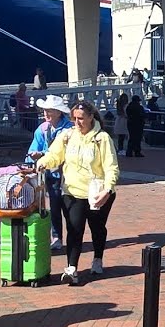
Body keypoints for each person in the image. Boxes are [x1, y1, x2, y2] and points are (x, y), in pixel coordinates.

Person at [35, 100, 120, 285]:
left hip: (97, 192)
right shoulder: (67, 136)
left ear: (91, 117)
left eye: (81, 118)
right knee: (74, 229)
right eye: (74, 118)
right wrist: (43, 162)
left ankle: (98, 258)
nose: (77, 122)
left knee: (97, 228)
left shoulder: (102, 138)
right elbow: (54, 155)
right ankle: (71, 267)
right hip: (72, 191)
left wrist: (108, 189)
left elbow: (111, 167)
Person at [26, 95, 74, 251]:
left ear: (59, 112)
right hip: (51, 175)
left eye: (50, 111)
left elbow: (70, 151)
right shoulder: (42, 129)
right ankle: (57, 237)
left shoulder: (69, 129)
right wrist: (32, 157)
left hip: (69, 174)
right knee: (54, 206)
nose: (46, 114)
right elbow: (33, 149)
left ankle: (73, 236)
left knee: (70, 208)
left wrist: (43, 154)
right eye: (45, 110)